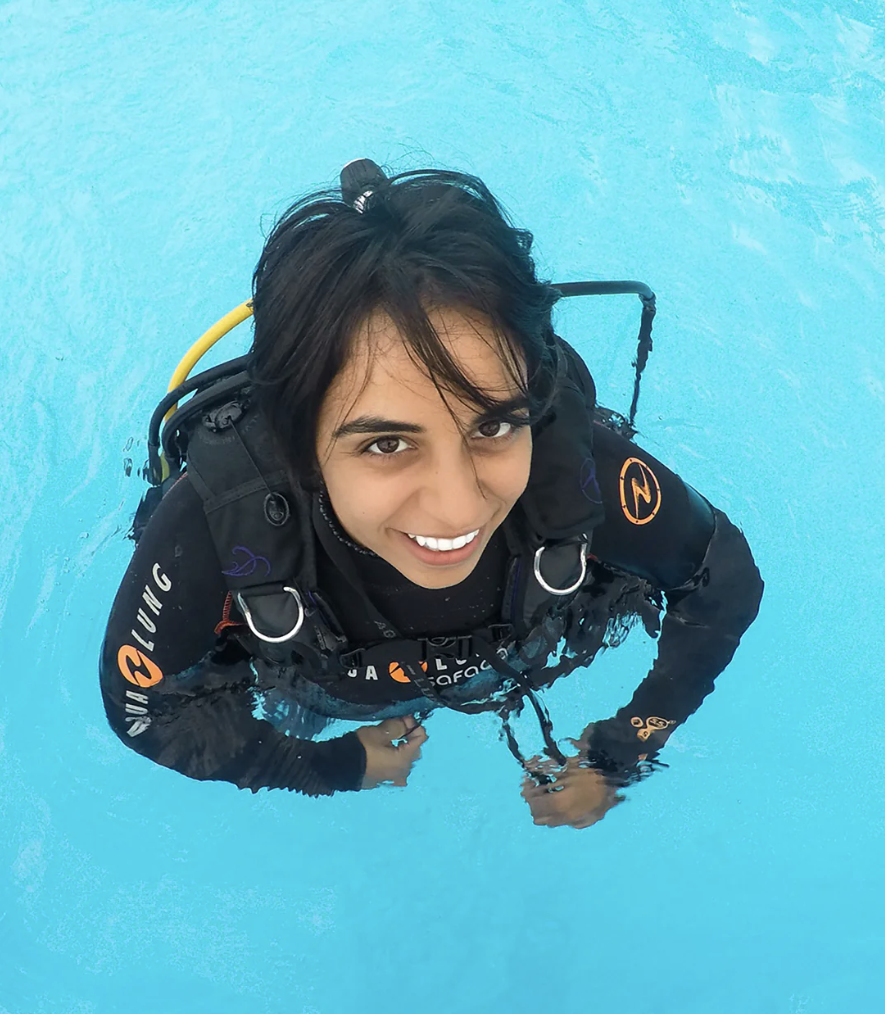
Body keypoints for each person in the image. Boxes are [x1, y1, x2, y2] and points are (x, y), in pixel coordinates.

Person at [100, 161, 763, 828]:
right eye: (386, 444)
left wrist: (624, 753)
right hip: (308, 685)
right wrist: (327, 768)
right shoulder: (218, 522)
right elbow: (144, 712)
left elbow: (722, 576)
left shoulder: (573, 466)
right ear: (298, 441)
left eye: (495, 424)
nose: (459, 508)